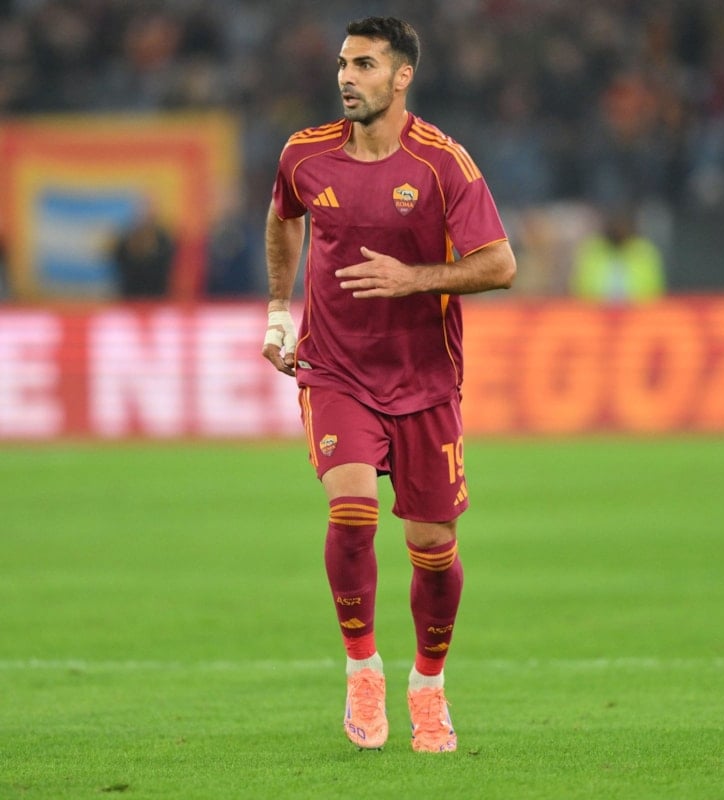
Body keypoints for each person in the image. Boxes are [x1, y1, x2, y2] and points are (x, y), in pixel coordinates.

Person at [261, 17, 516, 753]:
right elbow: (283, 219)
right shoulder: (304, 155)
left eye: (365, 64)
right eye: (344, 63)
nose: (347, 76)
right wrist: (278, 311)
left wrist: (415, 279)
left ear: (402, 77)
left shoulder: (443, 163)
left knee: (433, 548)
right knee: (352, 512)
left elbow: (500, 264)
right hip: (336, 369)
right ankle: (363, 670)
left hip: (425, 379)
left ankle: (428, 686)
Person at [571, 208, 665, 303]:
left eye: (623, 226)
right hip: (596, 309)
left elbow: (654, 290)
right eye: (615, 226)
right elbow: (580, 288)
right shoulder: (592, 250)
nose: (619, 230)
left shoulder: (644, 251)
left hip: (639, 309)